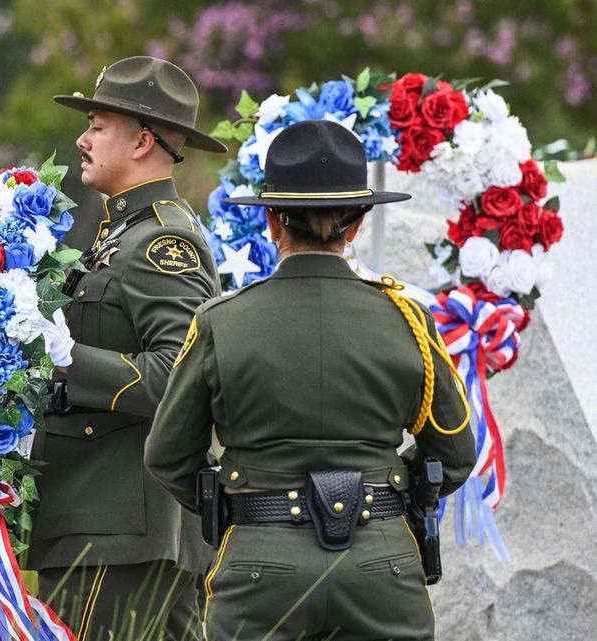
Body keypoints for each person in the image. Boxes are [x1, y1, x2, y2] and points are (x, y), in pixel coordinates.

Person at [146, 120, 477, 641]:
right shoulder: (407, 319)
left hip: (260, 564)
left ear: (273, 222)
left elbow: (167, 455)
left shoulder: (221, 321)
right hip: (381, 563)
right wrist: (388, 492)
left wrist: (237, 501)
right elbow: (454, 454)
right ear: (358, 223)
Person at [26, 56, 225, 641]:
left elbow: (181, 377)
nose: (82, 138)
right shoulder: (119, 233)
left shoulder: (162, 240)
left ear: (142, 141)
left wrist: (62, 358)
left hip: (118, 524)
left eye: (98, 124)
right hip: (111, 521)